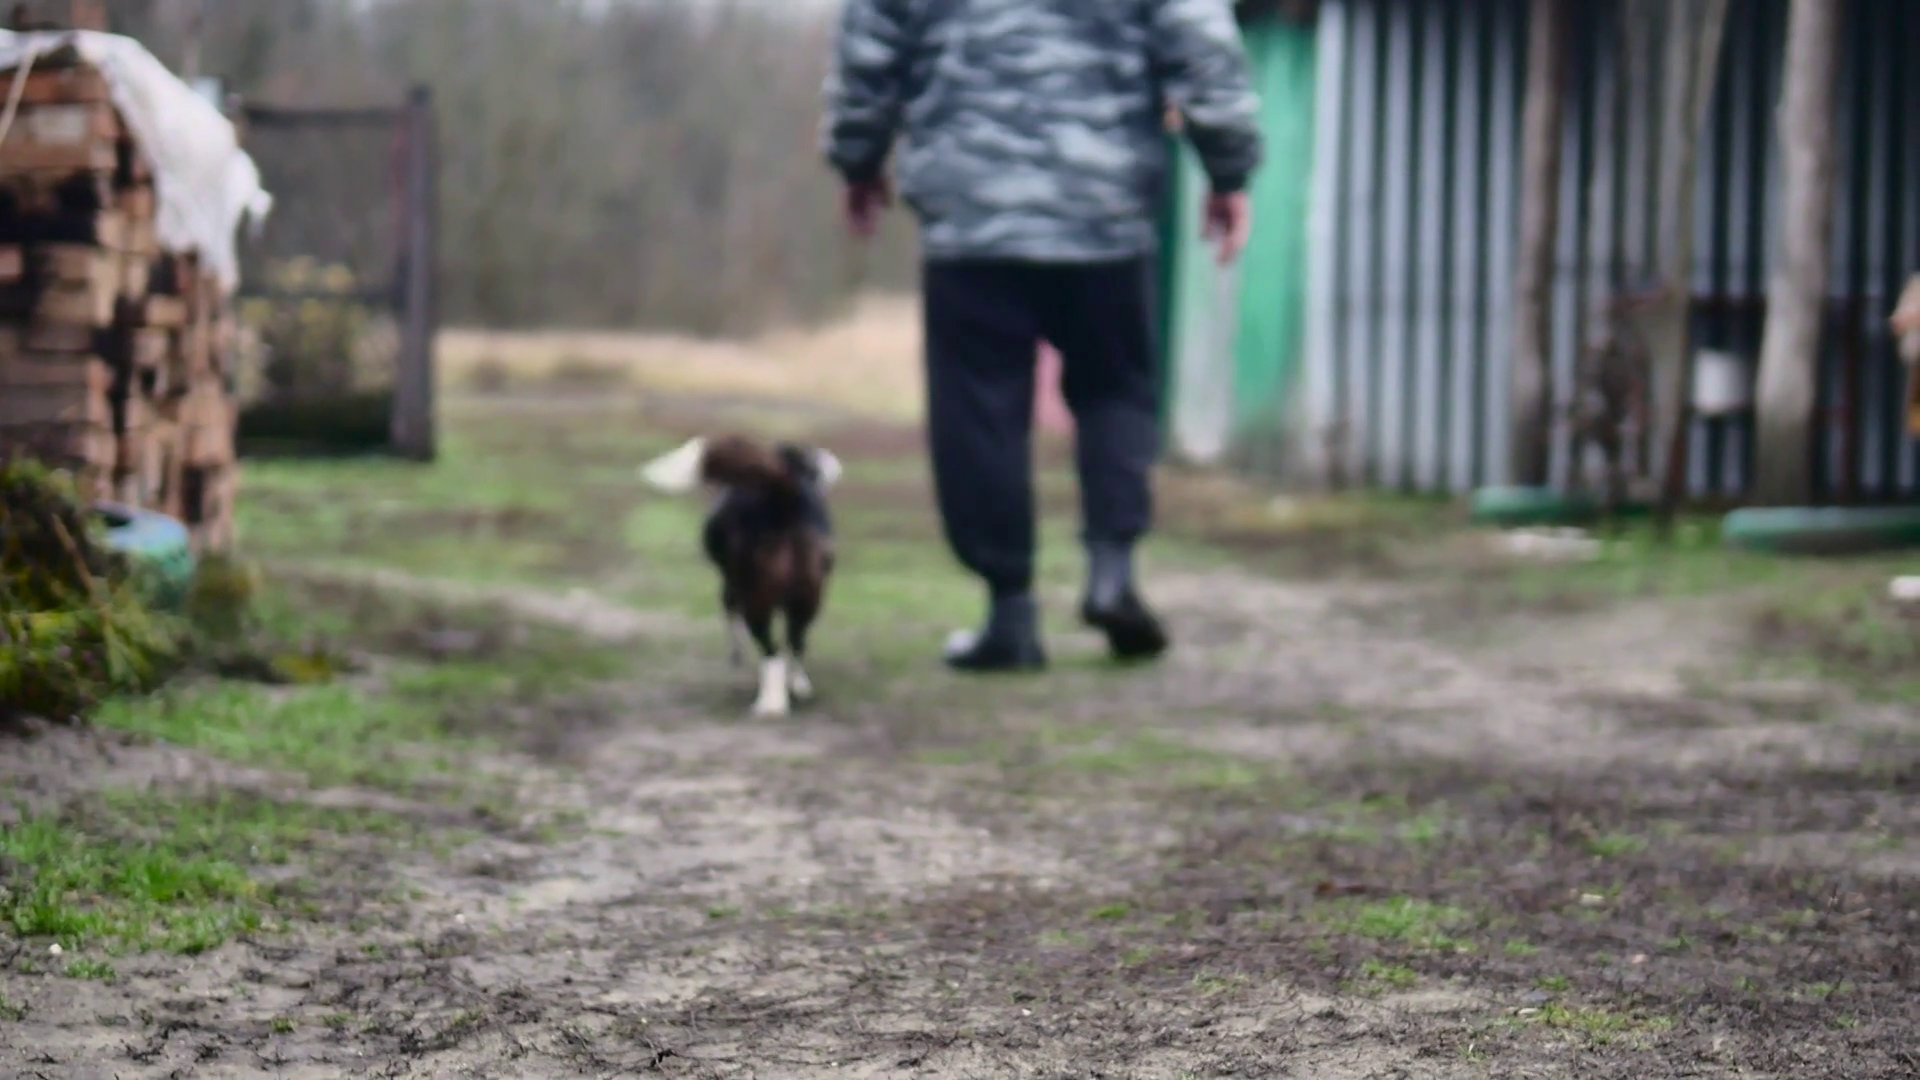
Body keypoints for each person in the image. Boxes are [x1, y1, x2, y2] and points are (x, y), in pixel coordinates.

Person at [821, 0, 1263, 673]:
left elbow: (870, 48)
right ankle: (1112, 575)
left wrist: (859, 159)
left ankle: (1011, 612)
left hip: (972, 210)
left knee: (979, 408)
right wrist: (1228, 169)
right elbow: (1200, 40)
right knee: (1115, 391)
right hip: (1104, 204)